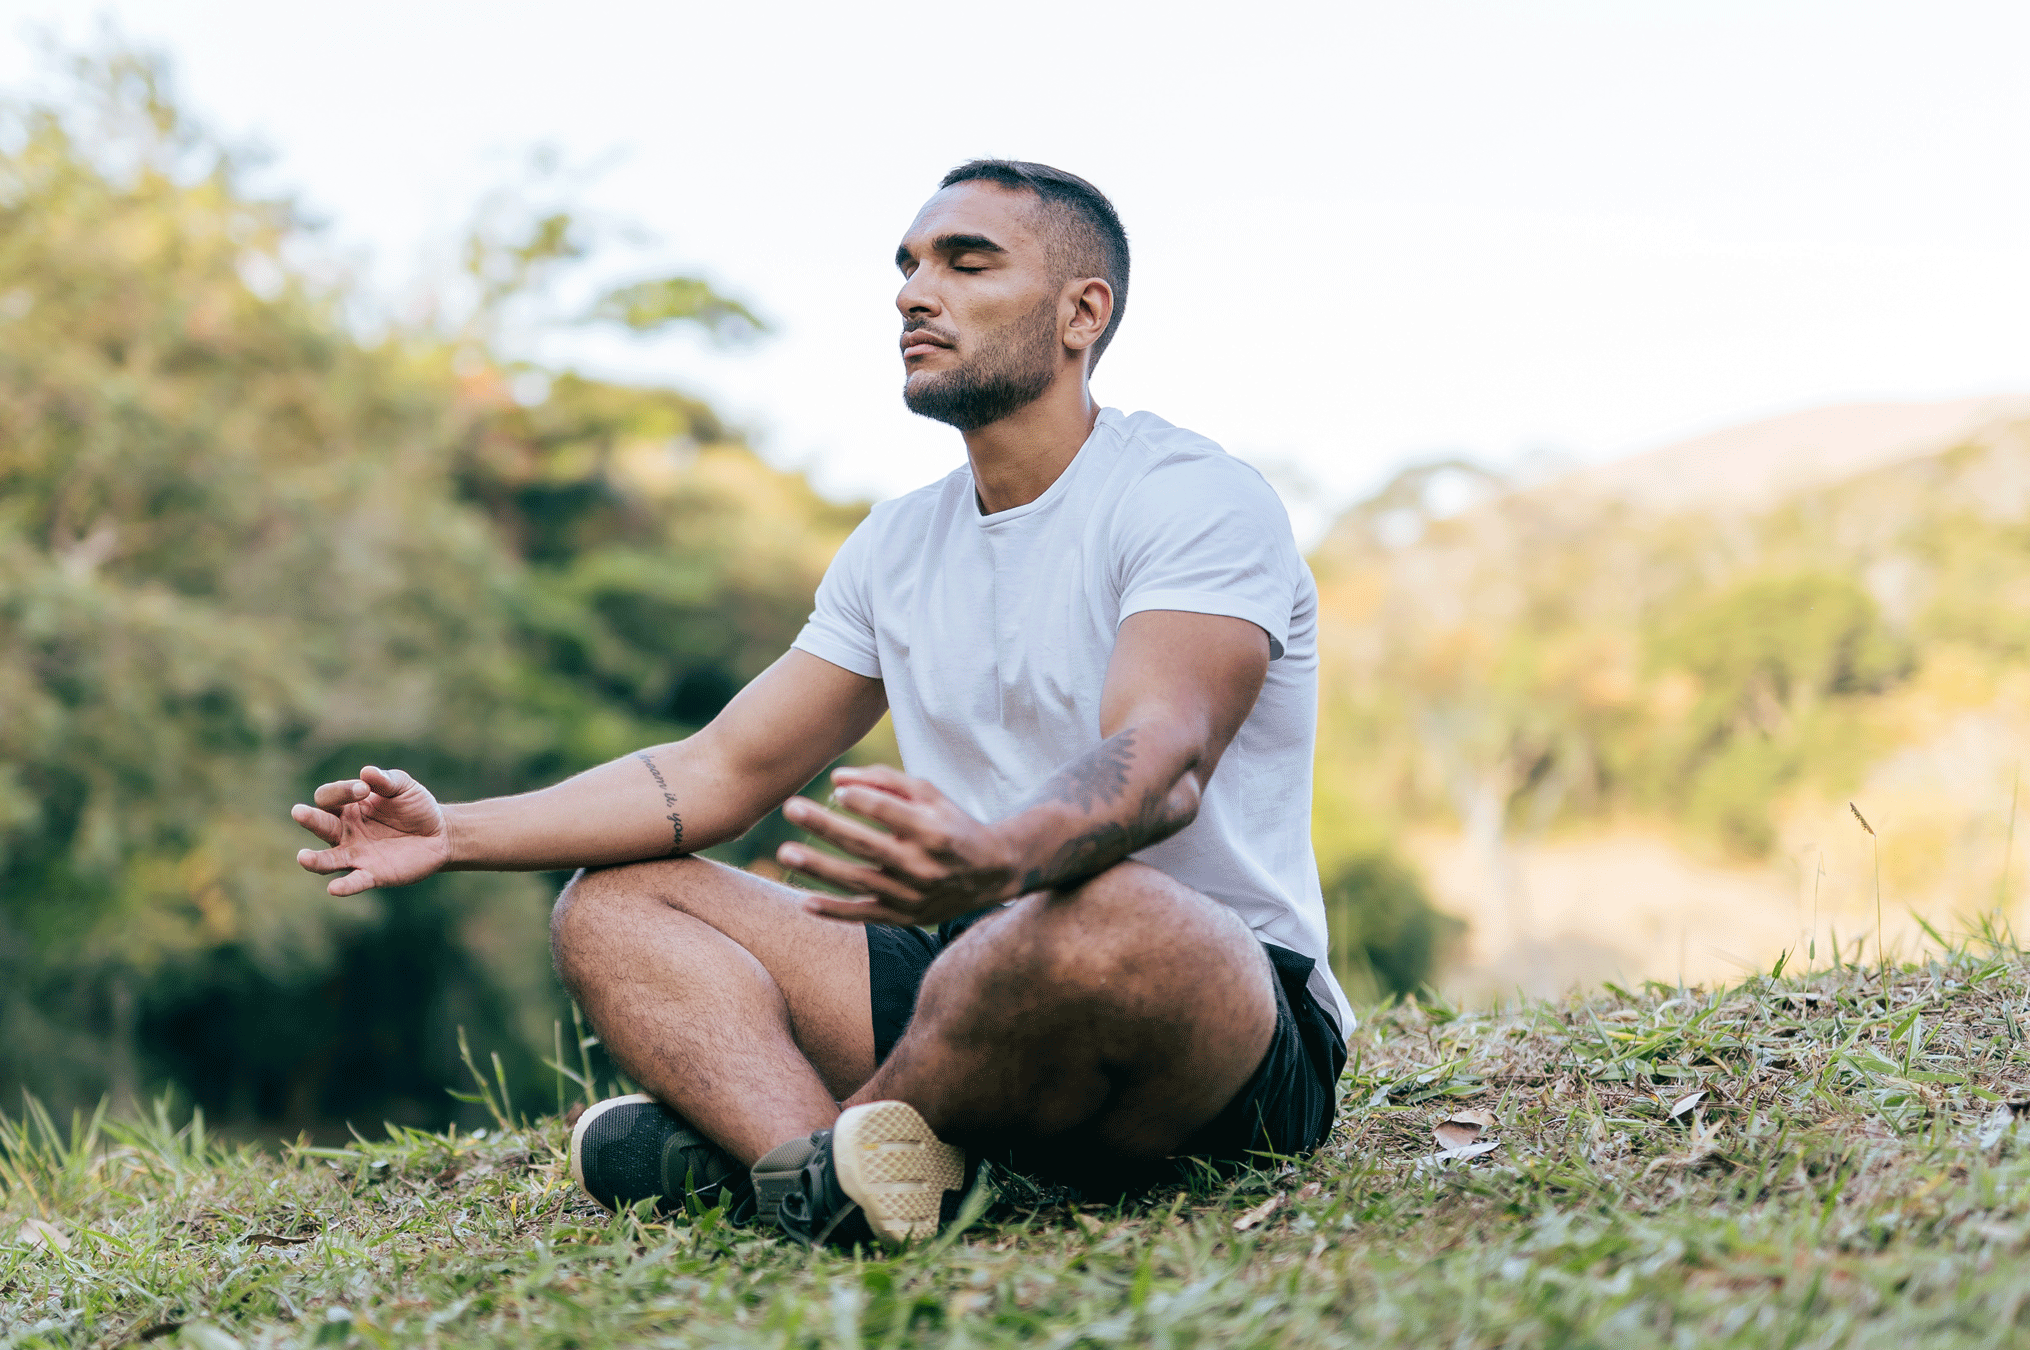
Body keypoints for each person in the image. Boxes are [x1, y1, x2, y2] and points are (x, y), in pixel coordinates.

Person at [289, 159, 1351, 1247]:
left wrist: (1002, 855)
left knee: (1101, 911)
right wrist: (454, 831)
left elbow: (1161, 757)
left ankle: (804, 1159)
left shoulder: (1191, 497)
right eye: (907, 264)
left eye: (965, 261)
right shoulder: (897, 544)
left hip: (1209, 1011)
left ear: (1085, 313)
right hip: (963, 986)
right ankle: (854, 1183)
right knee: (614, 903)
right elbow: (719, 771)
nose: (913, 292)